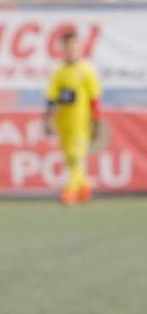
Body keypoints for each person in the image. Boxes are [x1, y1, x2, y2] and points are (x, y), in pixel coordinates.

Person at [44, 26, 104, 204]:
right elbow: (52, 98)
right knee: (69, 157)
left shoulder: (87, 71)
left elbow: (95, 99)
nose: (70, 51)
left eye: (74, 47)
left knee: (75, 157)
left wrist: (97, 121)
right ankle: (84, 186)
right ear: (63, 49)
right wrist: (48, 118)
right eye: (67, 47)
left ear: (80, 48)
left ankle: (69, 192)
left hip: (81, 122)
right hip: (64, 123)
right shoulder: (59, 72)